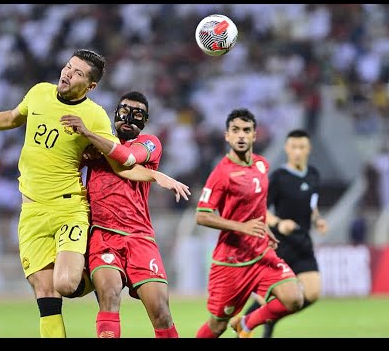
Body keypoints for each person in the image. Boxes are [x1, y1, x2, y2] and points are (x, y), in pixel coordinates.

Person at [0, 49, 190, 338]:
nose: (68, 73)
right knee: (45, 293)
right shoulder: (38, 93)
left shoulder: (102, 122)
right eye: (68, 67)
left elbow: (125, 163)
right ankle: (96, 273)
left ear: (91, 85)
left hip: (84, 214)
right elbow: (12, 118)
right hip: (35, 212)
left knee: (71, 286)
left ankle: (90, 271)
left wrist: (156, 174)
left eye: (78, 73)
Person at [60, 90, 181, 338]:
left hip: (140, 237)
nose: (128, 118)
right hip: (103, 236)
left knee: (160, 311)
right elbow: (64, 163)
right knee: (109, 294)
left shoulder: (150, 143)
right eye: (124, 111)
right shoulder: (96, 145)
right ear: (115, 113)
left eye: (137, 114)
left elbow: (127, 158)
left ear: (144, 122)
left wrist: (89, 135)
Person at [194, 108, 304, 338]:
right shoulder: (221, 173)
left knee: (294, 298)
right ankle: (236, 324)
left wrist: (264, 226)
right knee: (217, 325)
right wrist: (242, 227)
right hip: (232, 262)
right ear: (227, 136)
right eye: (235, 130)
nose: (241, 135)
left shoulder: (262, 165)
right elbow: (202, 215)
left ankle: (246, 323)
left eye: (246, 130)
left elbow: (256, 204)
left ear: (255, 135)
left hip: (262, 253)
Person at [244, 128, 328, 337]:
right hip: (280, 244)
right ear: (286, 149)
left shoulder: (314, 174)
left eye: (302, 147)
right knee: (277, 297)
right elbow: (261, 209)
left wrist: (317, 220)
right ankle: (250, 322)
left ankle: (254, 321)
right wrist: (279, 223)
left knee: (313, 293)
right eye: (293, 147)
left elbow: (312, 205)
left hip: (303, 242)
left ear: (308, 149)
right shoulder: (279, 177)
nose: (297, 152)